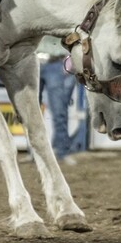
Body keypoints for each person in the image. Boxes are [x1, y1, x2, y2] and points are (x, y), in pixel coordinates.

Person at [37, 34, 85, 164]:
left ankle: (62, 152)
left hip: (55, 63)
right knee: (33, 112)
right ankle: (35, 152)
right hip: (36, 61)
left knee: (59, 111)